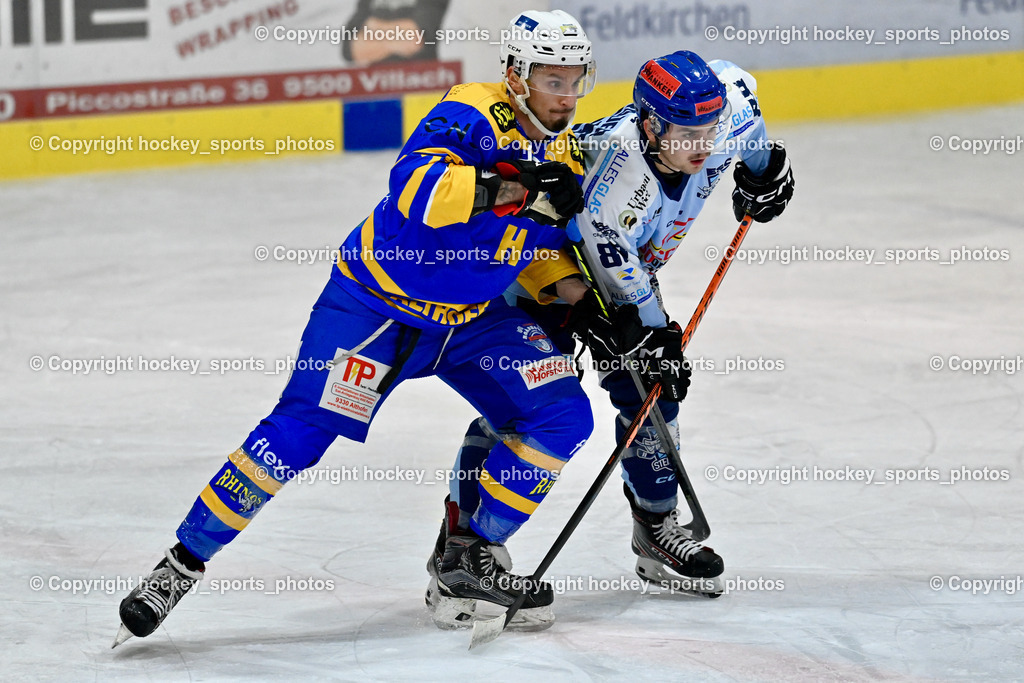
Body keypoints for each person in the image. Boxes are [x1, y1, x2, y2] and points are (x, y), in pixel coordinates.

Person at [114, 9, 642, 646]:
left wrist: (582, 304)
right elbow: (414, 188)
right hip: (374, 313)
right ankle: (181, 562)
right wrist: (516, 185)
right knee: (297, 438)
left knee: (561, 415)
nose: (564, 96)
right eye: (550, 79)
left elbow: (535, 246)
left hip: (470, 325)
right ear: (513, 74)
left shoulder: (562, 150)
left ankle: (466, 558)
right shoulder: (471, 110)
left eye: (575, 80)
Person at [438, 50, 794, 598]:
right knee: (528, 404)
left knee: (650, 393)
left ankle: (655, 528)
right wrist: (658, 339)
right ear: (651, 124)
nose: (701, 144)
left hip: (615, 268)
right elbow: (623, 290)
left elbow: (748, 117)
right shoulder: (615, 181)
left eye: (709, 128)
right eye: (684, 132)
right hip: (541, 271)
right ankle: (465, 547)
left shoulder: (730, 106)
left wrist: (766, 170)